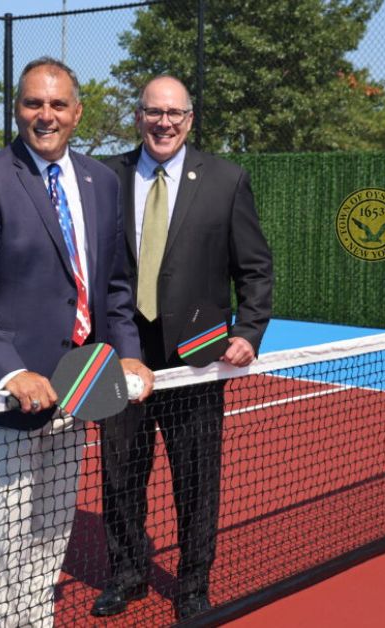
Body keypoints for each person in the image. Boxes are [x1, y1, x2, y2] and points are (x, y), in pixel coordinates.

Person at [0, 57, 154, 628]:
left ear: (77, 113)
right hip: (10, 399)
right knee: (7, 532)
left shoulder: (102, 182)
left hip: (80, 385)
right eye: (34, 103)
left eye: (58, 105)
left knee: (53, 523)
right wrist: (11, 373)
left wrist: (128, 352)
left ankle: (36, 619)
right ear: (18, 109)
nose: (46, 115)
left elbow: (114, 284)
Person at [92, 75, 274, 620]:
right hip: (122, 352)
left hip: (198, 355)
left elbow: (255, 269)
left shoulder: (226, 180)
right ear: (139, 116)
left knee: (195, 476)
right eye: (153, 112)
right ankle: (126, 572)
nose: (163, 122)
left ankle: (193, 583)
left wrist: (249, 330)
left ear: (189, 119)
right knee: (120, 471)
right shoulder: (105, 178)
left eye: (174, 113)